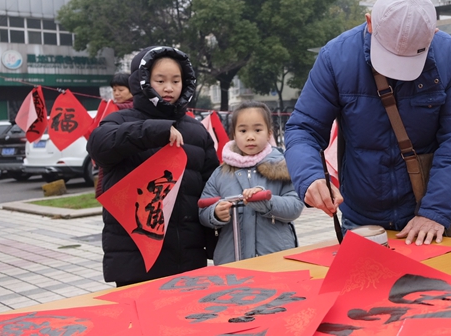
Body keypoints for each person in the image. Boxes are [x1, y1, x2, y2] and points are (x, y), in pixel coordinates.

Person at [284, 0, 451, 246]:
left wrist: (434, 212)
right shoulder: (336, 57)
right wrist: (310, 177)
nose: (397, 70)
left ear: (433, 33)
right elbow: (303, 128)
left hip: (426, 214)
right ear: (370, 22)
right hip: (362, 217)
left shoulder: (450, 55)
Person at [88, 46, 220, 287]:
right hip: (135, 257)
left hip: (187, 256)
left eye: (176, 81)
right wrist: (155, 130)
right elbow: (99, 146)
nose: (169, 88)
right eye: (160, 81)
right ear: (142, 81)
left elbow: (211, 188)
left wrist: (215, 242)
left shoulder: (197, 131)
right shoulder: (119, 120)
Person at [199, 102, 303, 264]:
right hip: (232, 259)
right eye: (243, 131)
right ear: (234, 134)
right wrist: (216, 213)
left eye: (257, 130)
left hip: (275, 258)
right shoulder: (220, 173)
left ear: (269, 133)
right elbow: (203, 210)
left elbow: (295, 206)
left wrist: (267, 203)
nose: (250, 137)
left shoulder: (283, 167)